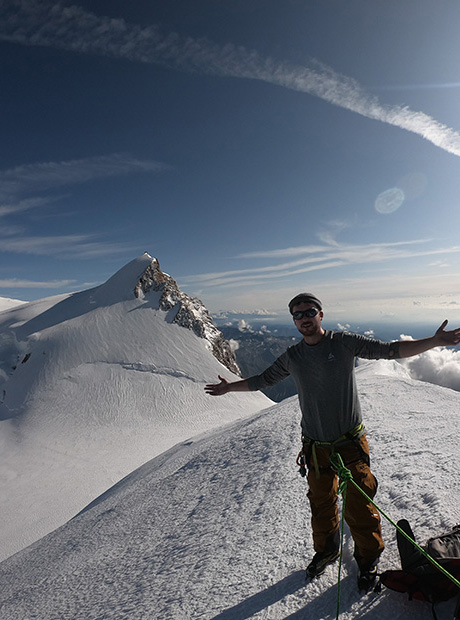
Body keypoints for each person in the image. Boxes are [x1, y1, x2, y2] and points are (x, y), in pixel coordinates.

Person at [205, 293, 460, 591]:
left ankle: (368, 560)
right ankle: (327, 551)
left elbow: (390, 351)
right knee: (322, 504)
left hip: (349, 443)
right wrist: (229, 389)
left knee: (359, 507)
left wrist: (433, 341)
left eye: (309, 312)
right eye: (298, 315)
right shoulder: (293, 356)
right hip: (315, 447)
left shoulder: (343, 343)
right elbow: (262, 380)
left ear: (321, 314)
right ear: (294, 320)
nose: (304, 319)